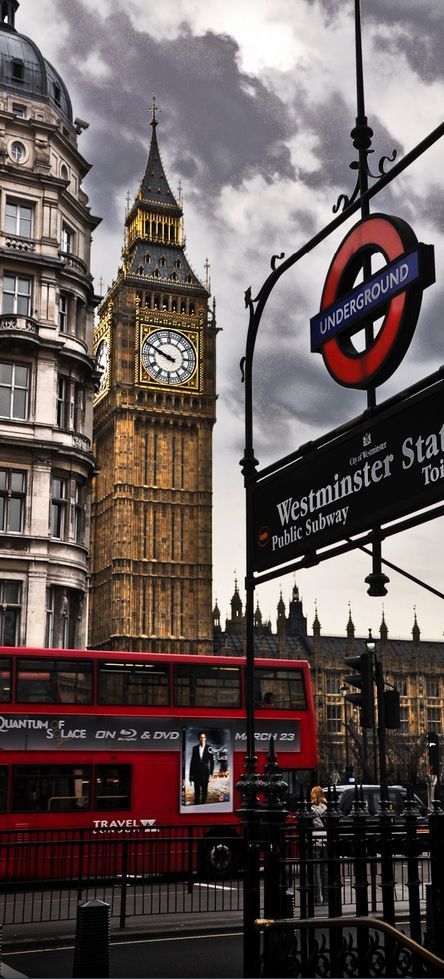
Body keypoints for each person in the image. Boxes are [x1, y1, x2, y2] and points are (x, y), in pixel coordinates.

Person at [310, 785, 327, 903]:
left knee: (315, 869)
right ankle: (326, 896)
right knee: (325, 868)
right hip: (325, 838)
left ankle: (317, 897)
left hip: (315, 838)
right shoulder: (326, 808)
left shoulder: (311, 809)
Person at [189, 731, 214, 805]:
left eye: (204, 737)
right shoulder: (195, 748)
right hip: (196, 774)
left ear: (205, 738)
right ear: (198, 738)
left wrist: (210, 775)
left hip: (205, 774)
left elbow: (212, 761)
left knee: (204, 792)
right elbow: (192, 762)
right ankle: (196, 806)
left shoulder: (209, 748)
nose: (202, 739)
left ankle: (203, 805)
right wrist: (191, 775)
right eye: (201, 737)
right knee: (197, 792)